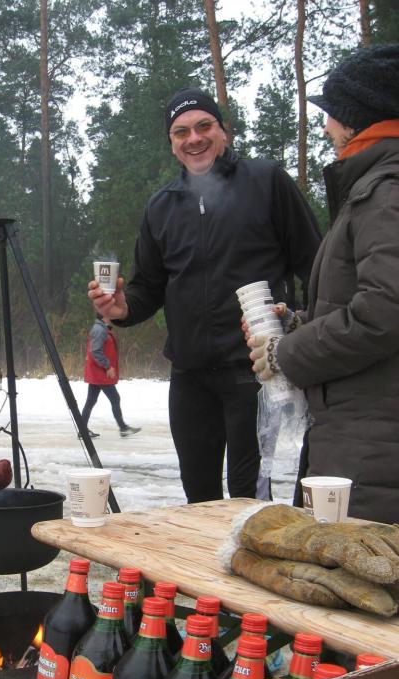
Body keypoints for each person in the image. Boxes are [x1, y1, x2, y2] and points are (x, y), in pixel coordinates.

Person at [89, 89, 321, 503]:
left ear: (223, 131)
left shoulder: (266, 181)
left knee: (250, 500)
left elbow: (315, 263)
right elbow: (147, 288)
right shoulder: (162, 206)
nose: (194, 138)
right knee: (198, 498)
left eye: (203, 126)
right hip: (190, 376)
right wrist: (122, 308)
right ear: (171, 144)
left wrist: (307, 325)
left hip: (253, 371)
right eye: (181, 132)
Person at [248, 44, 399, 524]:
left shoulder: (386, 191)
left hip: (374, 449)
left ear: (357, 118)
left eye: (332, 114)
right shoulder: (376, 188)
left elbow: (385, 311)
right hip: (363, 436)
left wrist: (286, 353)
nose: (326, 127)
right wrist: (300, 325)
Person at [80, 314, 141, 438]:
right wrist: (107, 366)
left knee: (91, 401)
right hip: (100, 373)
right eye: (110, 315)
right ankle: (123, 428)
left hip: (98, 373)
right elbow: (95, 351)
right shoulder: (99, 329)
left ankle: (82, 430)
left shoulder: (101, 328)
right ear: (105, 316)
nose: (113, 317)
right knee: (115, 398)